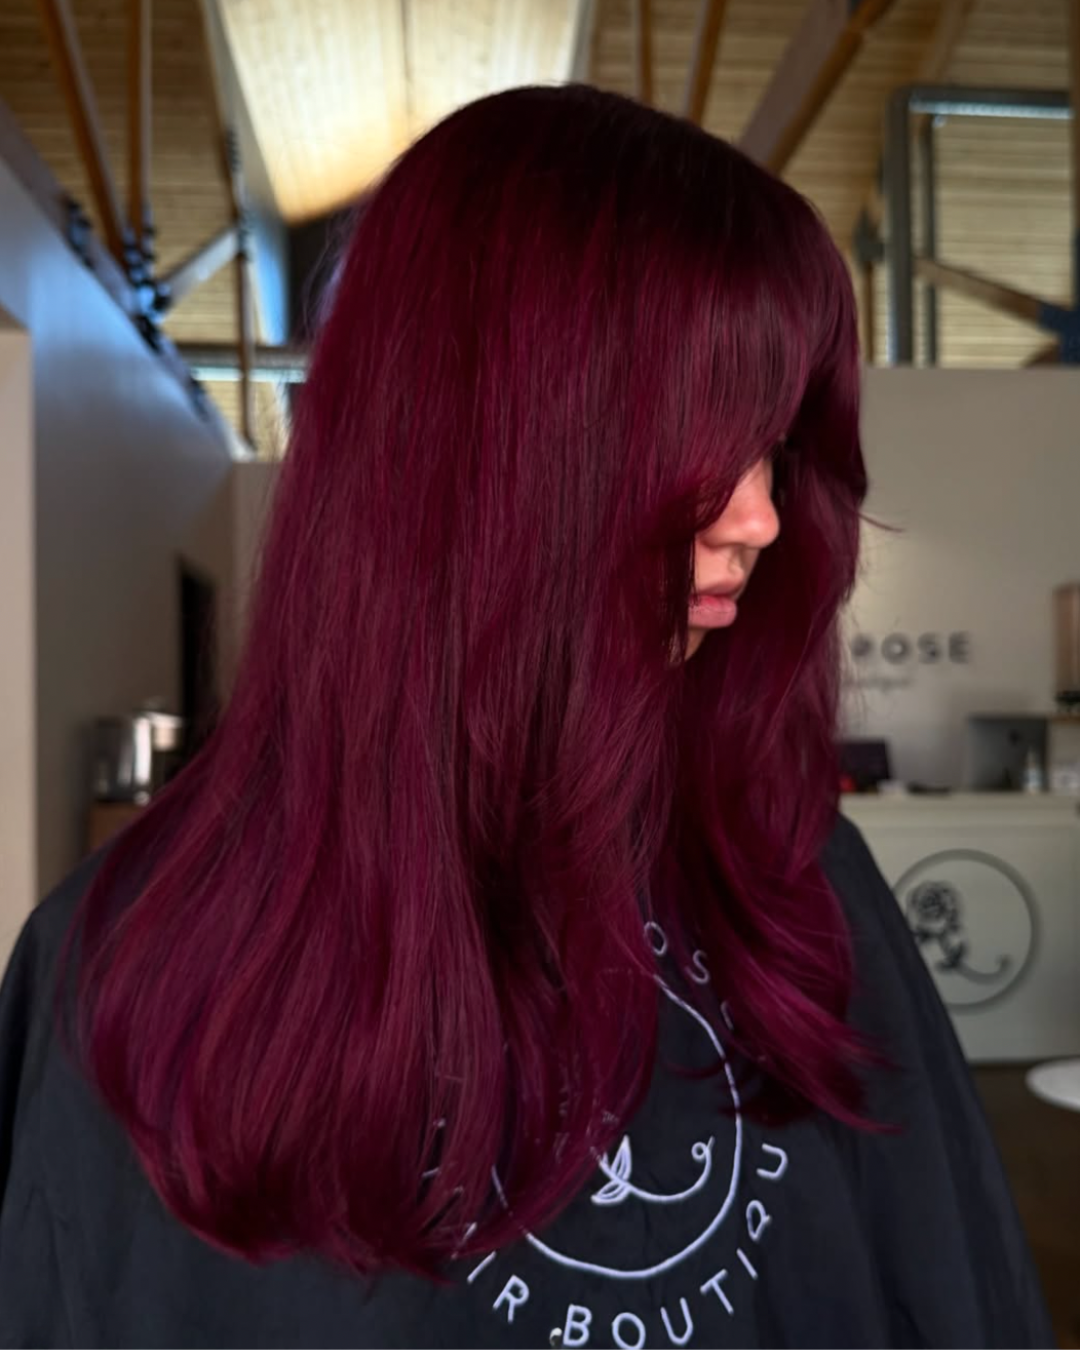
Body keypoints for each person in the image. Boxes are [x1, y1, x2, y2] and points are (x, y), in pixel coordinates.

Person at [0, 85, 1052, 1349]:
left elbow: (953, 1288)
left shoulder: (791, 876)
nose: (762, 516)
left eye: (774, 443)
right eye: (698, 436)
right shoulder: (115, 965)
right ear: (486, 449)